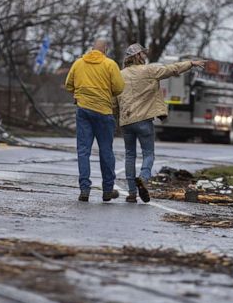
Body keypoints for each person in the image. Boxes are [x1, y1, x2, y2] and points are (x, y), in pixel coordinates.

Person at [118, 44, 205, 203]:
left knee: (130, 155)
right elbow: (171, 69)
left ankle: (131, 193)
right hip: (144, 120)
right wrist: (190, 64)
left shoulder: (120, 74)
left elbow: (113, 97)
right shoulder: (149, 71)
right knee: (148, 153)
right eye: (142, 54)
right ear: (138, 56)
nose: (144, 56)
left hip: (126, 121)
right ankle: (143, 177)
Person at [64, 39, 125, 202]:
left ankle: (85, 189)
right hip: (104, 112)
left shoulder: (78, 63)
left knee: (83, 151)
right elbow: (119, 88)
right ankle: (107, 190)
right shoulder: (110, 64)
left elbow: (68, 85)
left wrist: (80, 93)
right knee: (106, 151)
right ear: (105, 49)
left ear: (92, 49)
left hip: (83, 111)